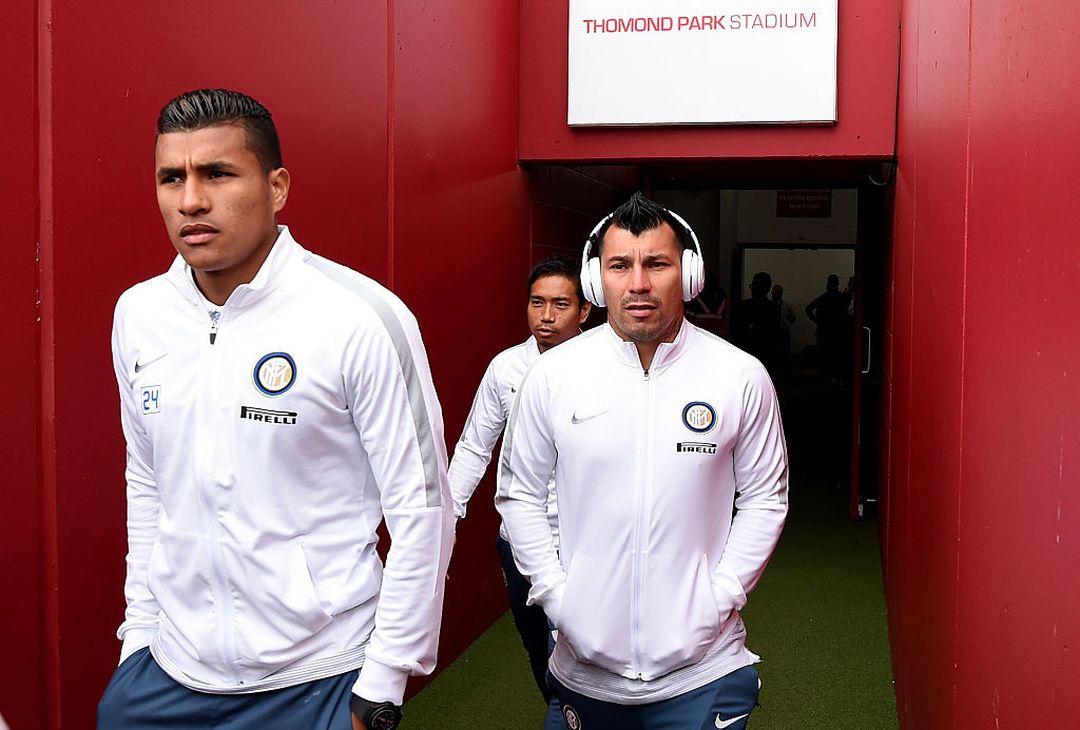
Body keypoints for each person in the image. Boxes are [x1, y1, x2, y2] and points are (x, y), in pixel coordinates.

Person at [98, 89, 454, 730]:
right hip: (165, 674)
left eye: (218, 173)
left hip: (316, 679)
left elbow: (422, 508)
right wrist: (138, 638)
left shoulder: (360, 318)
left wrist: (383, 683)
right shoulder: (139, 315)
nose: (190, 201)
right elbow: (149, 484)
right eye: (171, 177)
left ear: (277, 186)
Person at [496, 192, 789, 730]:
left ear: (690, 275)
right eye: (619, 265)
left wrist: (720, 597)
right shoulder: (553, 376)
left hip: (704, 672)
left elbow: (765, 498)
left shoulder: (740, 377)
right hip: (583, 674)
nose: (637, 284)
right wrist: (559, 599)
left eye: (657, 263)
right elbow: (519, 494)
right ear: (594, 281)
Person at [448, 256, 590, 726]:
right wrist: (444, 518)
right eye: (537, 303)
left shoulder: (606, 368)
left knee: (578, 653)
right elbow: (474, 446)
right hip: (520, 542)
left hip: (584, 544)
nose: (546, 316)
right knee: (539, 650)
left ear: (585, 311)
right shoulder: (506, 368)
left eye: (560, 305)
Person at [805, 273, 850, 386]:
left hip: (823, 332)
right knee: (837, 358)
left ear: (828, 284)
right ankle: (836, 380)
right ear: (837, 284)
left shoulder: (824, 297)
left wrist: (816, 320)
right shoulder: (842, 298)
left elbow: (808, 308)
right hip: (838, 333)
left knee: (824, 358)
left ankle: (824, 381)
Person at [733, 272, 780, 368]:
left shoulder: (743, 306)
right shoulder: (774, 308)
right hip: (763, 355)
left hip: (752, 353)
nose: (752, 289)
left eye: (754, 286)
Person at [770, 284, 797, 381]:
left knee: (785, 352)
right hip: (772, 331)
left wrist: (787, 324)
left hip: (782, 330)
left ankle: (786, 374)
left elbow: (793, 318)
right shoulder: (769, 305)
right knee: (773, 352)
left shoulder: (786, 305)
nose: (774, 294)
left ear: (780, 294)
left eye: (776, 292)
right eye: (773, 292)